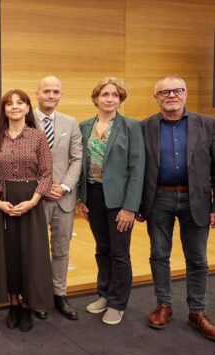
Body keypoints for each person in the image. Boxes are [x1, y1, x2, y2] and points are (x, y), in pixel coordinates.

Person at [138, 76, 215, 340]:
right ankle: (164, 305)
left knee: (197, 259)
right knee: (159, 254)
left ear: (186, 94)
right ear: (156, 97)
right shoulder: (144, 127)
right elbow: (137, 169)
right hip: (159, 198)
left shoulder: (208, 125)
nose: (171, 95)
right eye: (165, 92)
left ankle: (197, 312)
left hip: (198, 200)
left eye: (177, 90)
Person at [77, 77, 145, 326]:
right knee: (101, 248)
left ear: (120, 99)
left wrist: (130, 207)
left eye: (115, 95)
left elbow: (138, 169)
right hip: (93, 196)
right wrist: (81, 198)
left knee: (119, 252)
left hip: (120, 200)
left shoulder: (131, 127)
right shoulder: (84, 126)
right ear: (96, 98)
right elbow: (80, 165)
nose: (110, 99)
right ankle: (104, 294)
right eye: (105, 94)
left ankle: (118, 302)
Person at [0, 89, 54, 332]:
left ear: (27, 108)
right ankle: (13, 304)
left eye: (20, 103)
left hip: (30, 201)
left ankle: (27, 306)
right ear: (4, 110)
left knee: (30, 255)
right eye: (9, 104)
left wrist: (34, 201)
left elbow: (46, 174)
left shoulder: (38, 137)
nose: (15, 107)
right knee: (9, 255)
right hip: (4, 202)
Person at [34, 76, 83, 321]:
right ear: (37, 94)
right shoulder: (25, 120)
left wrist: (64, 186)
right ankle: (39, 296)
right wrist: (43, 188)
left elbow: (77, 159)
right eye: (46, 91)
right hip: (36, 199)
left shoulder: (70, 123)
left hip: (64, 199)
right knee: (38, 250)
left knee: (62, 250)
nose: (51, 95)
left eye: (56, 91)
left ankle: (59, 294)